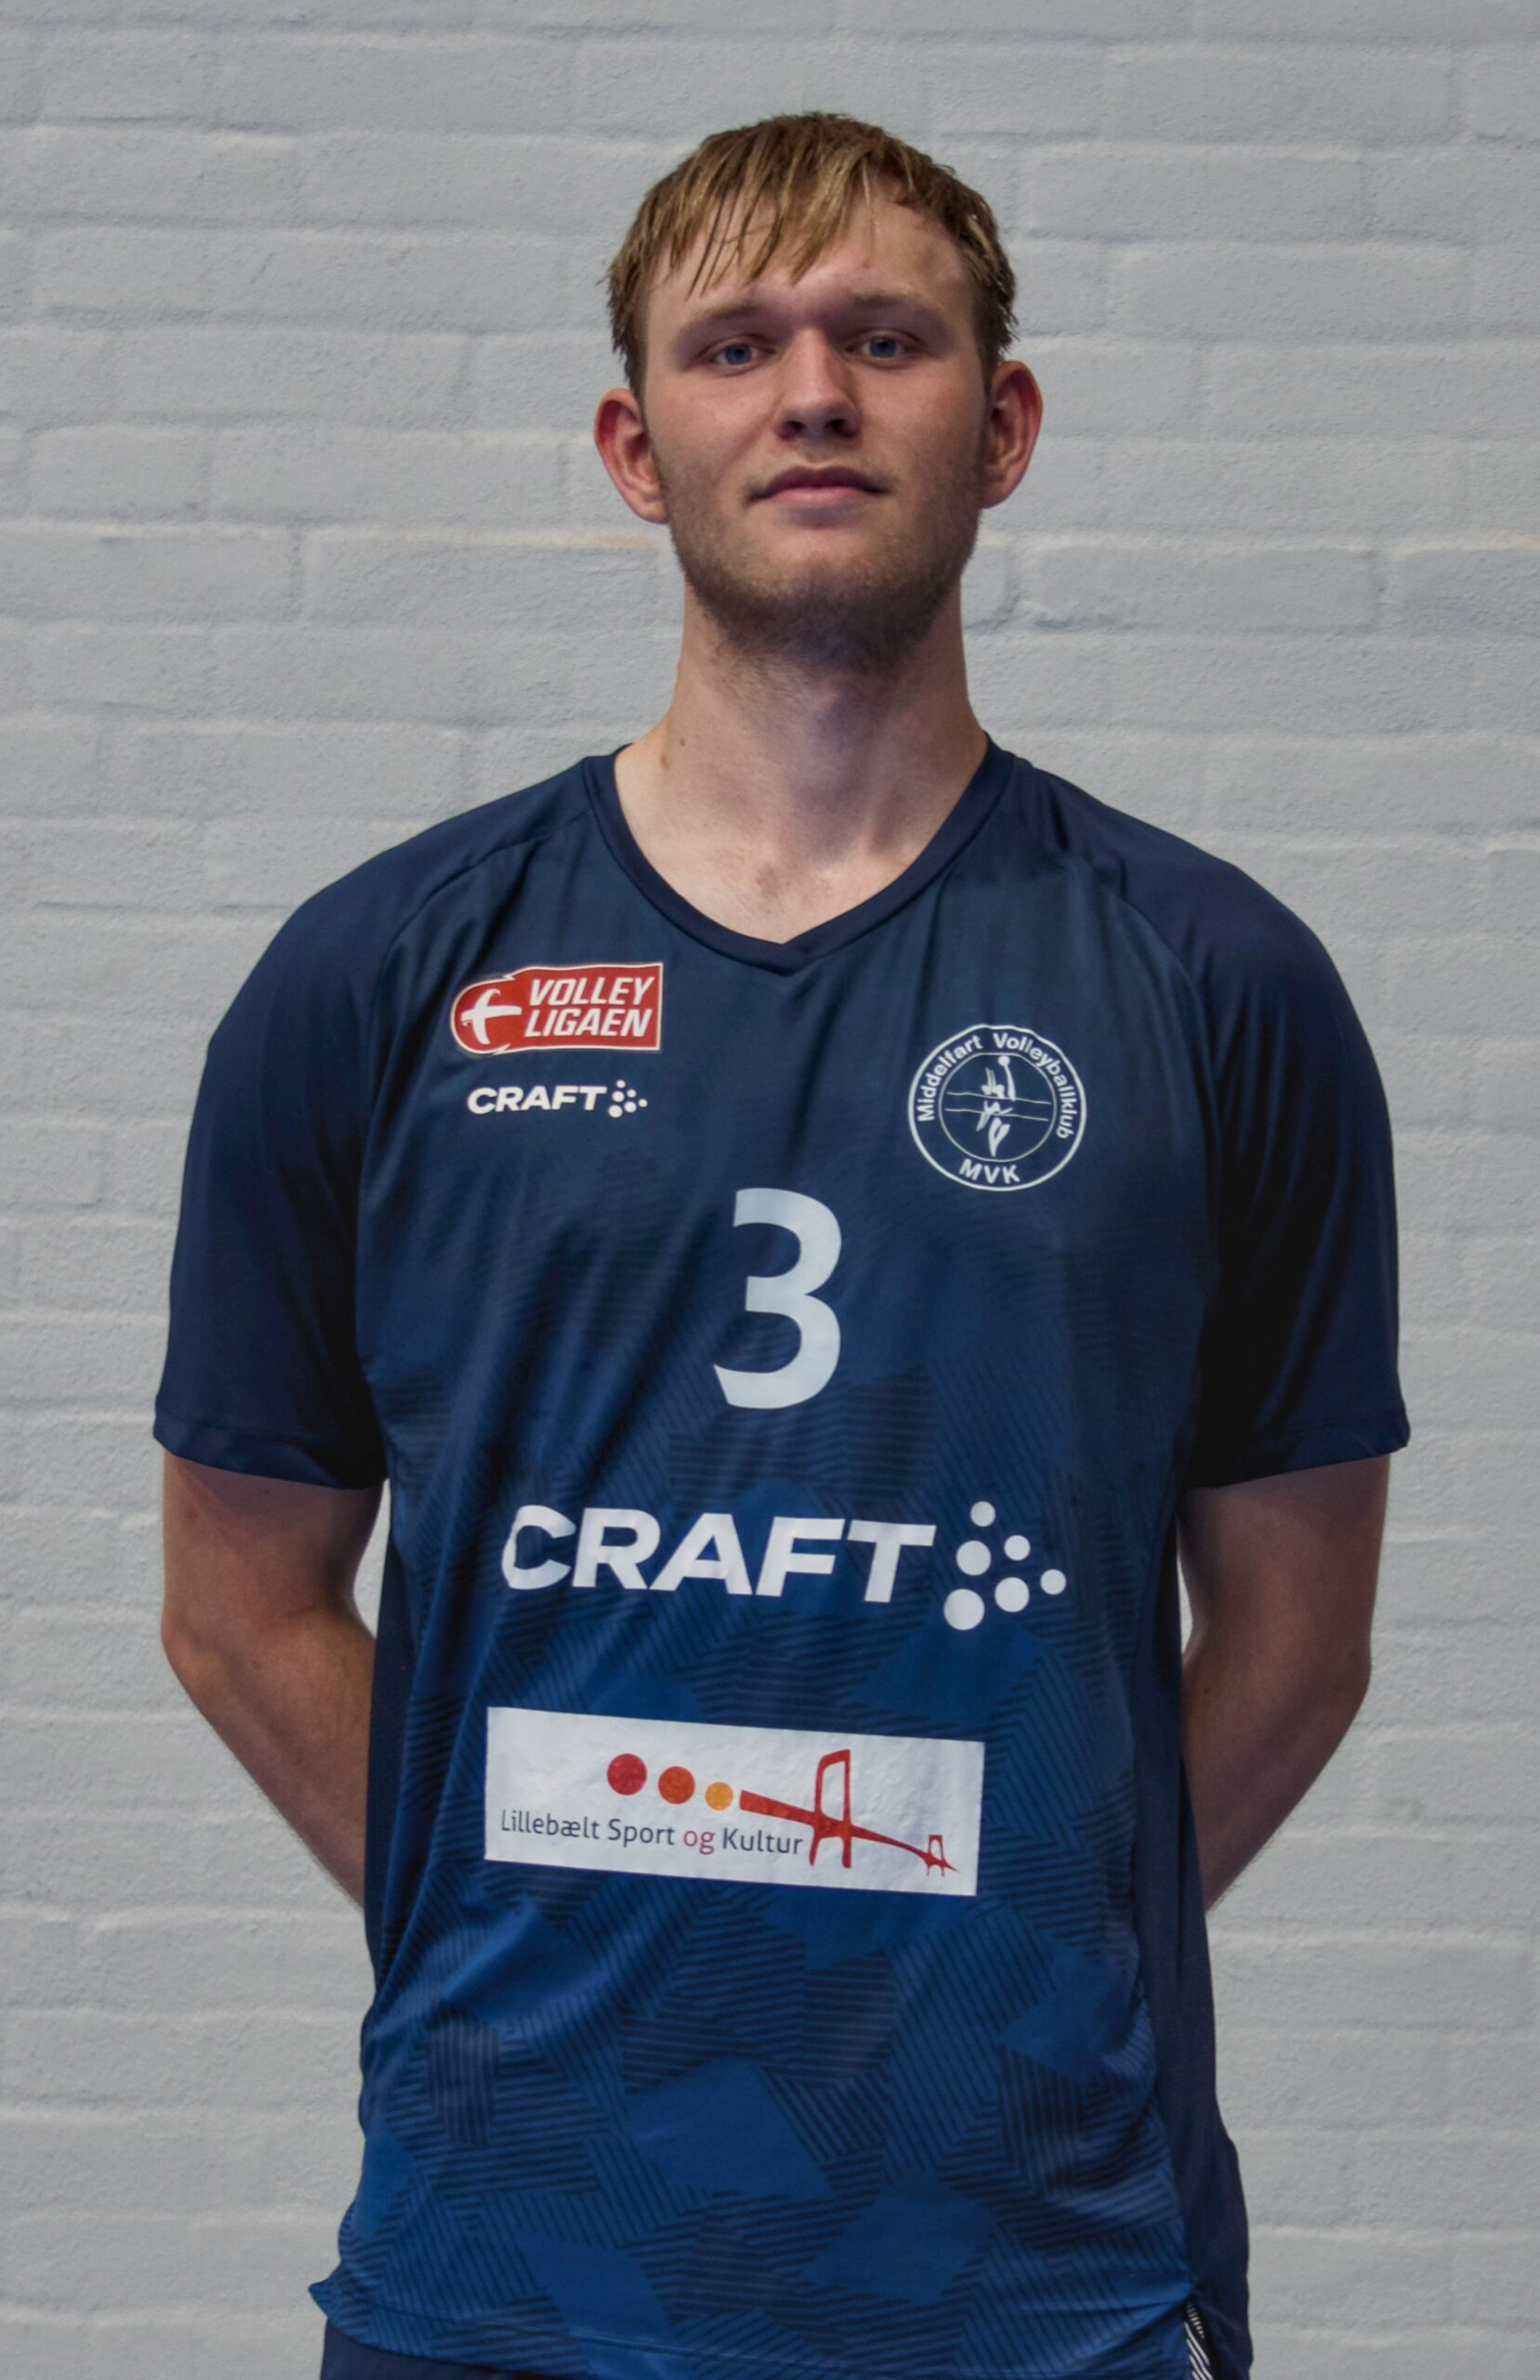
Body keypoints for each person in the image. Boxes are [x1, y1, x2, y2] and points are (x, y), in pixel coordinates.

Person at [154, 110, 1410, 2380]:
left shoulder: (1214, 983)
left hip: (1033, 2268)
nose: (812, 390)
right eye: (735, 345)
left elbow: (1299, 1641)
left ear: (1001, 427)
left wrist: (1006, 1947)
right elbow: (237, 1602)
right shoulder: (382, 976)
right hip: (504, 2250)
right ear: (637, 451)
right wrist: (522, 1905)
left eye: (884, 339)